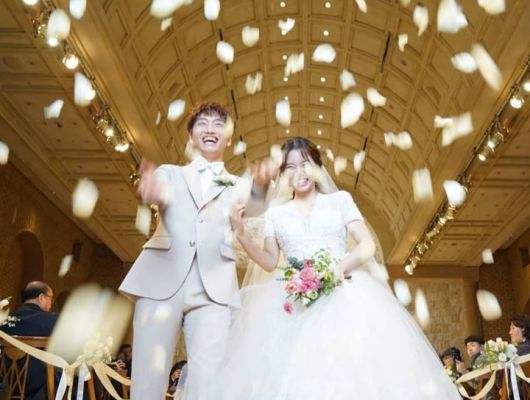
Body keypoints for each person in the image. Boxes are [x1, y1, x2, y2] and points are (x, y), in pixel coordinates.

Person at [221, 136, 461, 399]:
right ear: (283, 174)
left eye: (305, 164)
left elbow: (367, 245)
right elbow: (269, 261)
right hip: (294, 299)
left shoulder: (340, 201)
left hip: (344, 293)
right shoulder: (276, 214)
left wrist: (335, 270)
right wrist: (241, 233)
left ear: (317, 166)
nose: (299, 172)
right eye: (290, 167)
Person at [119, 102, 276, 400]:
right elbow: (157, 192)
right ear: (191, 136)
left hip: (213, 290)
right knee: (148, 379)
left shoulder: (237, 184)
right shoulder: (170, 173)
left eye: (218, 124)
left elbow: (255, 205)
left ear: (228, 139)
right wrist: (150, 189)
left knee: (209, 383)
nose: (210, 129)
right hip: (161, 281)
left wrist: (261, 183)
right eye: (202, 123)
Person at [0, 281, 59, 400]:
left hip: (5, 387)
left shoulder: (4, 321)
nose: (51, 305)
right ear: (41, 298)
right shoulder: (53, 320)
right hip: (40, 391)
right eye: (51, 299)